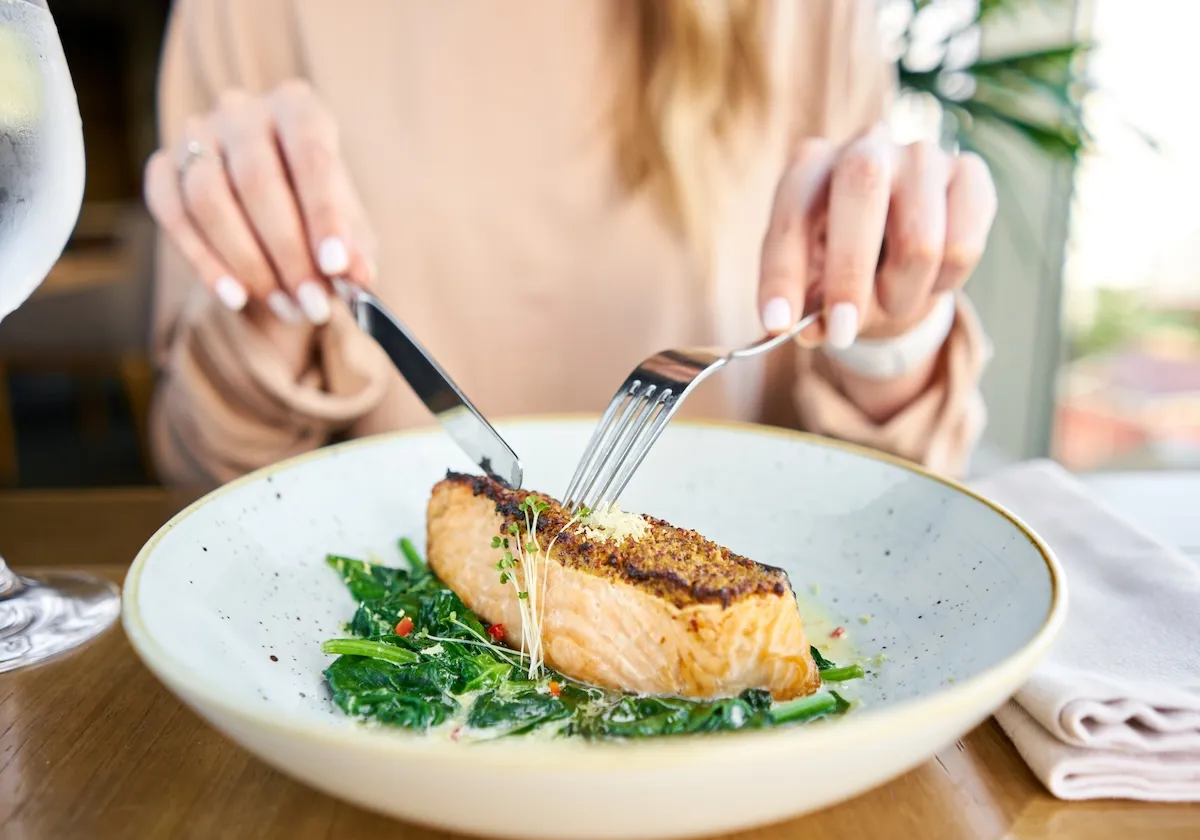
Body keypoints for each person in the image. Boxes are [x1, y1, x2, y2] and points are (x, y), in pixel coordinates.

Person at [144, 0, 995, 488]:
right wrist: (266, 300)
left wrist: (889, 331)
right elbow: (201, 471)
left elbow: (890, 495)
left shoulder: (812, 17)